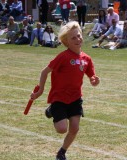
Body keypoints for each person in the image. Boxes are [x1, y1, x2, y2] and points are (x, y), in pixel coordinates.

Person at [30, 21, 100, 160]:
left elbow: (92, 77)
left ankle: (62, 152)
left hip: (75, 98)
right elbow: (45, 72)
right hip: (59, 98)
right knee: (62, 129)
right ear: (66, 42)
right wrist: (40, 91)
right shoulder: (63, 57)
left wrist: (94, 81)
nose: (77, 39)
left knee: (74, 129)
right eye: (73, 38)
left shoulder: (86, 59)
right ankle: (51, 110)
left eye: (79, 36)